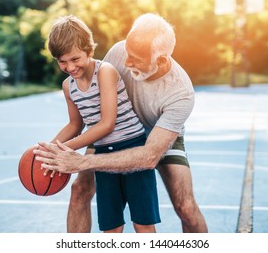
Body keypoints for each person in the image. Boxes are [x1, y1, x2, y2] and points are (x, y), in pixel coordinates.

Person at [35, 13, 208, 233]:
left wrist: (79, 161)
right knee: (79, 189)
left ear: (161, 60)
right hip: (112, 131)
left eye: (135, 58)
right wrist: (49, 151)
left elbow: (149, 156)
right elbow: (96, 107)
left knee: (185, 207)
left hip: (156, 137)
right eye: (127, 51)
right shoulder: (118, 52)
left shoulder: (181, 93)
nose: (125, 62)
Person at [45, 15, 161, 233]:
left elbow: (107, 124)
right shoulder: (68, 86)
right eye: (62, 61)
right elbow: (74, 125)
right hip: (102, 156)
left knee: (143, 223)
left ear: (89, 51)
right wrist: (47, 150)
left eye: (75, 59)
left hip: (132, 148)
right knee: (111, 227)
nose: (70, 67)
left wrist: (66, 148)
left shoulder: (105, 71)